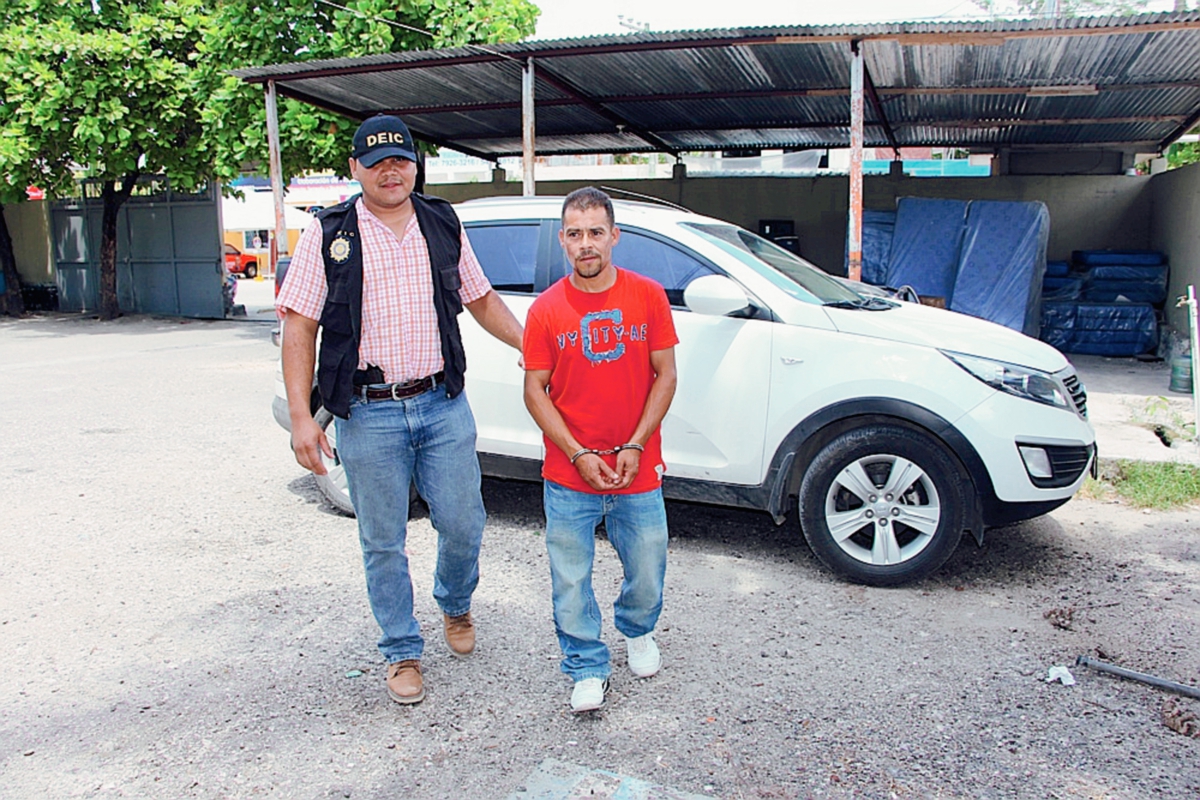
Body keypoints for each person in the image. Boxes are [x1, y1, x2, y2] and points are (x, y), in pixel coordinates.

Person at [277, 114, 523, 706]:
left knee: (464, 521)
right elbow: (299, 326)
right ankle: (401, 649)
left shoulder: (440, 222)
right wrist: (302, 416)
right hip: (368, 413)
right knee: (382, 540)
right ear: (356, 169)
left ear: (415, 165)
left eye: (402, 159)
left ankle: (455, 604)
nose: (392, 170)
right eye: (377, 161)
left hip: (442, 404)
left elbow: (481, 298)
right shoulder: (327, 233)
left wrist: (533, 348)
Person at [522, 187, 679, 713]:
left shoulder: (649, 296)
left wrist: (636, 443)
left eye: (595, 232)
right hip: (569, 474)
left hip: (637, 465)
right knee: (569, 577)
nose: (585, 244)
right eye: (574, 234)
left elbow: (666, 375)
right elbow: (534, 390)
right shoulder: (545, 311)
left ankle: (637, 630)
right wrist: (576, 453)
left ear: (614, 236)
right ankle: (586, 665)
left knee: (649, 564)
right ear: (564, 241)